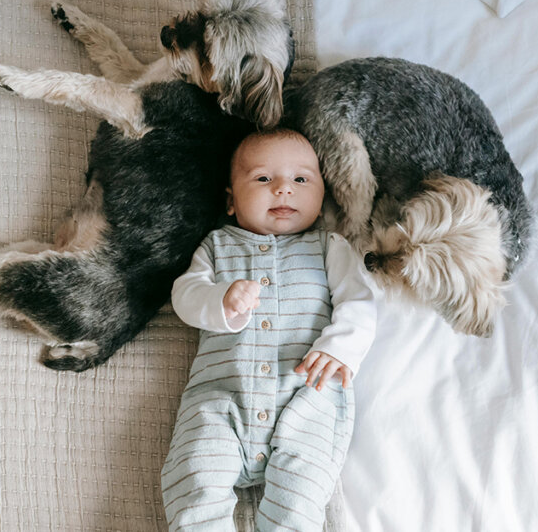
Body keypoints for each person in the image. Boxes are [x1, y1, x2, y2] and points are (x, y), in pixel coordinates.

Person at [161, 128, 378, 531]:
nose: (283, 189)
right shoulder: (216, 246)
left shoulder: (329, 246)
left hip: (308, 398)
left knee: (300, 499)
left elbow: (359, 301)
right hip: (221, 398)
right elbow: (184, 295)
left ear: (322, 195)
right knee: (194, 478)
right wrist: (221, 301)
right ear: (230, 199)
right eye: (263, 179)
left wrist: (339, 348)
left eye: (301, 179)